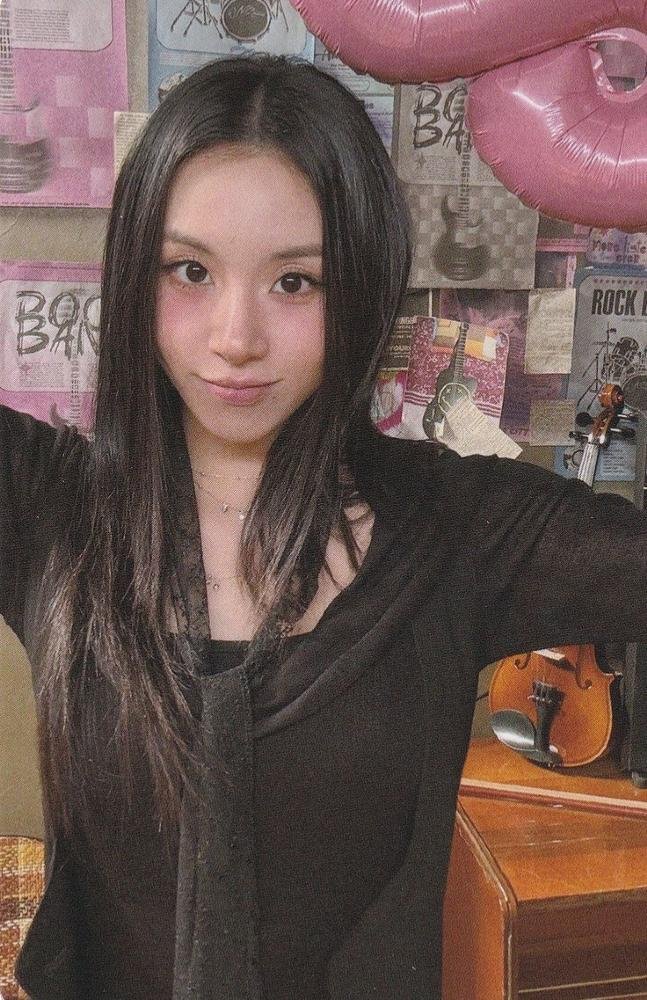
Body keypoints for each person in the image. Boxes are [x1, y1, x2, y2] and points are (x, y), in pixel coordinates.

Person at [2, 53, 647, 1000]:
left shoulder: (461, 533)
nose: (235, 338)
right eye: (190, 270)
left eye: (296, 282)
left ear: (363, 287)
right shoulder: (47, 506)